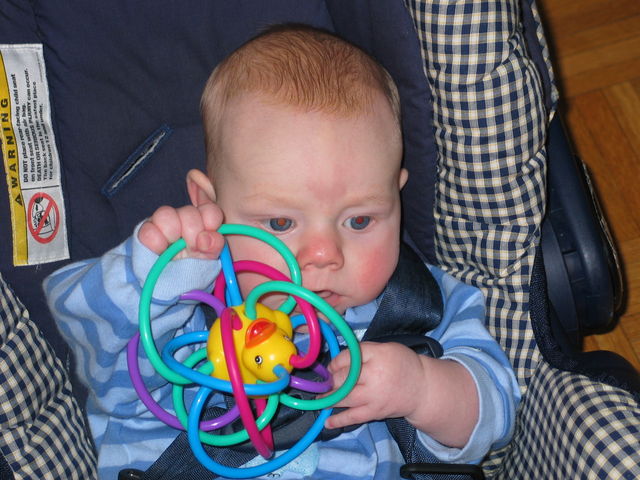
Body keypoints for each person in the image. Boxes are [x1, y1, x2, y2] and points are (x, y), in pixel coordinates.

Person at [45, 25, 520, 479]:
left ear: (395, 197)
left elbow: (496, 413)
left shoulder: (424, 307)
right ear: (210, 205)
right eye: (280, 224)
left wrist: (422, 388)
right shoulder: (182, 305)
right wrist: (156, 272)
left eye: (359, 221)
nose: (323, 254)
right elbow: (93, 345)